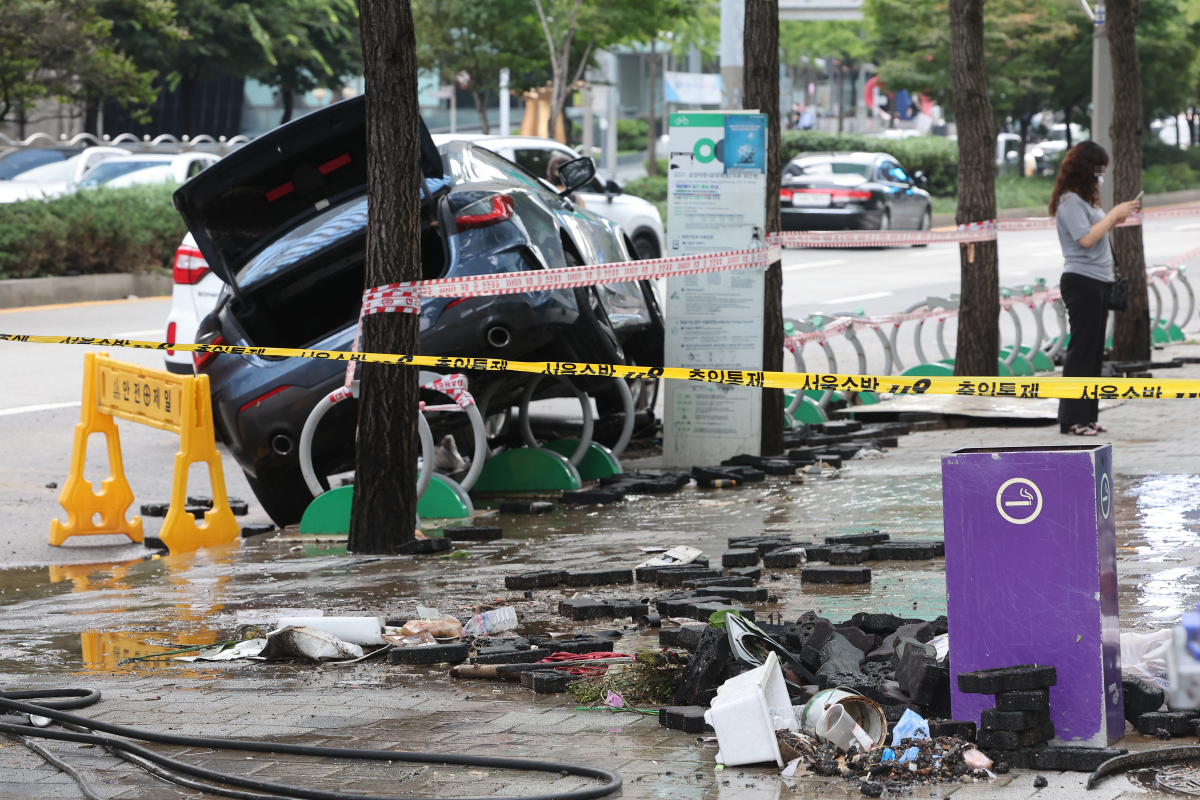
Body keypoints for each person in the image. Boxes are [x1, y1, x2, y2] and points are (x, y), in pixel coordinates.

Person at [1050, 141, 1141, 436]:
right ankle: (1072, 419)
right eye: (1099, 168)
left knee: (1094, 353)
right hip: (1082, 281)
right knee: (1081, 351)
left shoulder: (1087, 200)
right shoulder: (1069, 201)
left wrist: (1112, 218)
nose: (1101, 174)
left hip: (1099, 280)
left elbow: (1097, 233)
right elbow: (1085, 239)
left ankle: (1088, 416)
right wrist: (1113, 215)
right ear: (1086, 168)